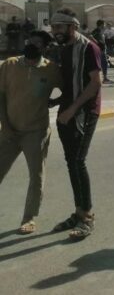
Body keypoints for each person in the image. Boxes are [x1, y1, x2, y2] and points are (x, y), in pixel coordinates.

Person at [0, 31, 61, 235]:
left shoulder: (51, 69)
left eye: (37, 43)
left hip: (36, 132)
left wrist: (54, 101)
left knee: (36, 175)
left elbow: (69, 89)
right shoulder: (9, 65)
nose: (32, 45)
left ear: (45, 48)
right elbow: (0, 95)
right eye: (30, 41)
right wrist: (5, 125)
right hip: (9, 131)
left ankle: (29, 218)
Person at [49, 9, 103, 240]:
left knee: (78, 161)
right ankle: (79, 211)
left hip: (84, 113)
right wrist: (58, 102)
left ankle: (87, 216)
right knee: (71, 162)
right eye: (53, 27)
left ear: (73, 27)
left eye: (60, 27)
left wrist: (72, 110)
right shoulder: (64, 49)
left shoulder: (89, 47)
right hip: (67, 111)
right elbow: (71, 83)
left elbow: (95, 83)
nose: (56, 31)